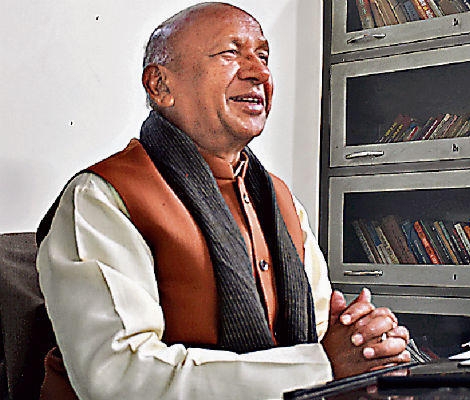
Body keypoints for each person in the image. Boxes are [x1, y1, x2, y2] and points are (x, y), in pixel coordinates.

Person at [35, 3, 411, 399]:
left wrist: (366, 344)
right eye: (230, 53)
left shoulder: (280, 200)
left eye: (263, 56)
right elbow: (120, 378)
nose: (259, 73)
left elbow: (322, 335)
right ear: (160, 86)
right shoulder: (103, 197)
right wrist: (320, 367)